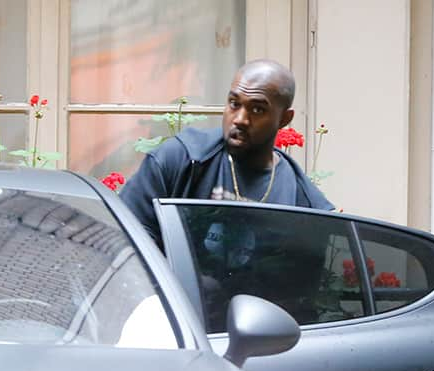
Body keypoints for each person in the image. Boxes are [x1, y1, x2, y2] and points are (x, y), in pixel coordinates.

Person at [119, 59, 335, 242]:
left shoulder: (303, 199)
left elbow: (304, 282)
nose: (240, 119)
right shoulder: (182, 158)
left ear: (284, 119)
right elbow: (126, 237)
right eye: (234, 103)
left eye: (257, 109)